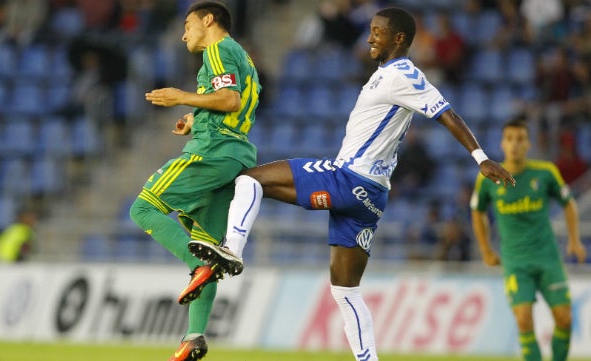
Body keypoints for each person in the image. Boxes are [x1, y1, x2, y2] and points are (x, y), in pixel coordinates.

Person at [187, 7, 515, 361]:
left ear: (399, 38)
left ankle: (232, 249)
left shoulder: (403, 73)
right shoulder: (385, 74)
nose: (370, 37)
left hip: (348, 178)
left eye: (378, 32)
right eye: (371, 30)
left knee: (249, 179)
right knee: (346, 291)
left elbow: (446, 113)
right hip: (371, 197)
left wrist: (480, 157)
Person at [128, 2, 261, 361]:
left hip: (212, 152)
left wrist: (180, 97)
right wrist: (195, 115)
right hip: (234, 157)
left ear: (208, 20)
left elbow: (230, 99)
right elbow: (236, 100)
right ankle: (194, 336)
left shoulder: (218, 49)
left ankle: (197, 266)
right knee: (205, 245)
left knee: (142, 208)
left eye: (187, 24)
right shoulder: (243, 57)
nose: (184, 33)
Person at [470, 117, 587, 361]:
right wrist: (485, 249)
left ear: (528, 144)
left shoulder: (545, 173)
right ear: (502, 144)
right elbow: (477, 211)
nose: (514, 144)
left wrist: (574, 240)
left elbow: (569, 204)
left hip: (548, 259)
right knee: (524, 320)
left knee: (565, 318)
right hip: (515, 263)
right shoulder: (488, 178)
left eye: (520, 139)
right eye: (509, 139)